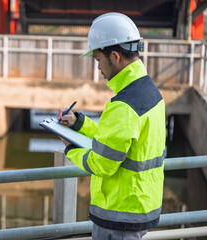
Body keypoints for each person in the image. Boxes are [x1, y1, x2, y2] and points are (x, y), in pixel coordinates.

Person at [58, 12, 166, 240]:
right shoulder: (150, 92)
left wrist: (70, 148)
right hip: (140, 206)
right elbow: (117, 141)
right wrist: (80, 124)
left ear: (115, 56)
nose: (98, 69)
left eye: (98, 60)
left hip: (119, 216)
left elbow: (102, 163)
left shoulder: (124, 105)